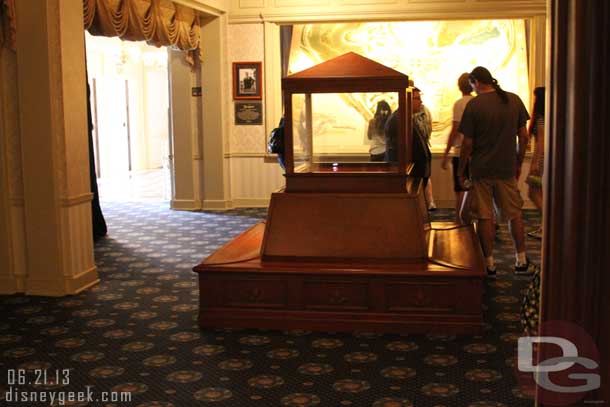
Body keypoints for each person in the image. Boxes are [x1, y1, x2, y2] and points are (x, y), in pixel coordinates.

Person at [457, 66, 538, 277]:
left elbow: (467, 143)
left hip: (481, 170)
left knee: (485, 217)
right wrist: (519, 161)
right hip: (506, 168)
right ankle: (521, 260)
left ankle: (489, 263)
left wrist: (461, 169)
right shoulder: (514, 100)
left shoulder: (474, 105)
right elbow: (524, 136)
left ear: (475, 82)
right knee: (514, 214)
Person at [442, 73, 475, 223]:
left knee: (460, 187)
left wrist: (446, 153)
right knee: (477, 187)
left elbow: (455, 128)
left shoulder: (459, 104)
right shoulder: (477, 101)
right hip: (477, 152)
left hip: (460, 151)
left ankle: (459, 219)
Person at [385, 87, 431, 186]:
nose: (421, 101)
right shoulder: (398, 120)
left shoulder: (407, 118)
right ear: (408, 99)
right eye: (417, 98)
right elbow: (397, 152)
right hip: (405, 177)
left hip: (414, 175)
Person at [526, 87, 545, 239]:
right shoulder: (550, 116)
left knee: (533, 193)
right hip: (547, 159)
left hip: (542, 160)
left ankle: (548, 224)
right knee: (541, 193)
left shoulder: (540, 119)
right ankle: (545, 226)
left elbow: (541, 143)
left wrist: (535, 163)